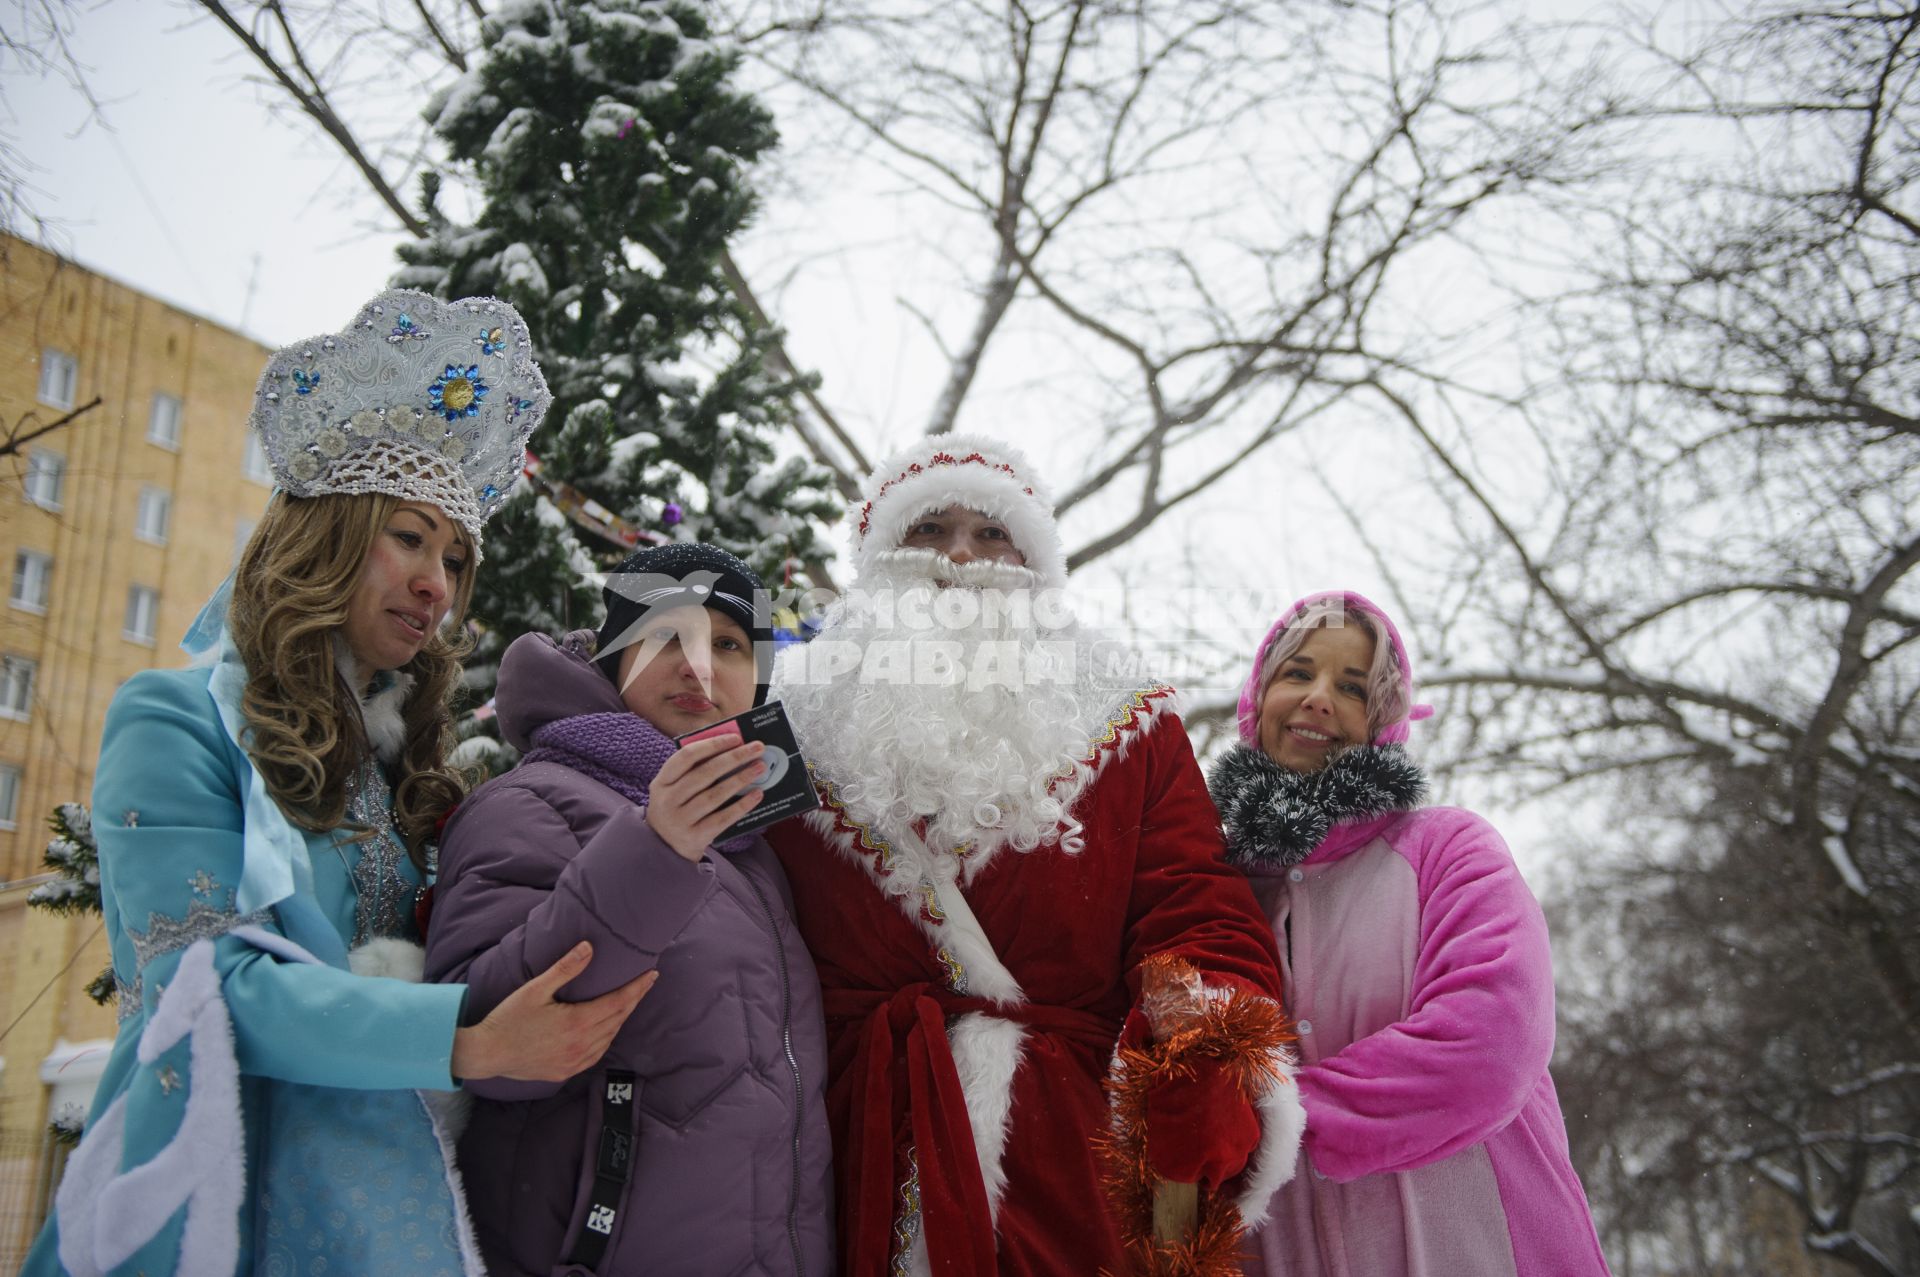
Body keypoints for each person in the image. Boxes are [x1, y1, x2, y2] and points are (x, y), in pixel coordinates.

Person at [25, 289, 656, 1277]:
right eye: (408, 537)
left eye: (455, 558)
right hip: (217, 1202)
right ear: (325, 536)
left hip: (397, 1211)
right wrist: (469, 1040)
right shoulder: (173, 716)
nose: (438, 584)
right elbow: (201, 988)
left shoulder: (409, 768)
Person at [767, 434, 1305, 1275]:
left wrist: (1199, 1043)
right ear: (878, 562)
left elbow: (1192, 905)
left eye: (991, 534)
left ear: (1035, 560)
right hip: (839, 1155)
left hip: (1065, 1162)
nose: (960, 555)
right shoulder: (790, 723)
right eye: (928, 529)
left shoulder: (1128, 718)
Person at [424, 542, 833, 1277]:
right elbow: (478, 1039)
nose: (699, 665)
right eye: (665, 634)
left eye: (731, 644)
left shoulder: (762, 850)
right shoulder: (533, 800)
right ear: (614, 657)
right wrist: (654, 849)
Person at [1208, 591, 1611, 1277]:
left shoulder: (1447, 849)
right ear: (1259, 696)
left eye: (1354, 686)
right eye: (1298, 672)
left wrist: (1278, 1120)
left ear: (1386, 719)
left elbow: (1491, 1040)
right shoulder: (1212, 893)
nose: (1318, 697)